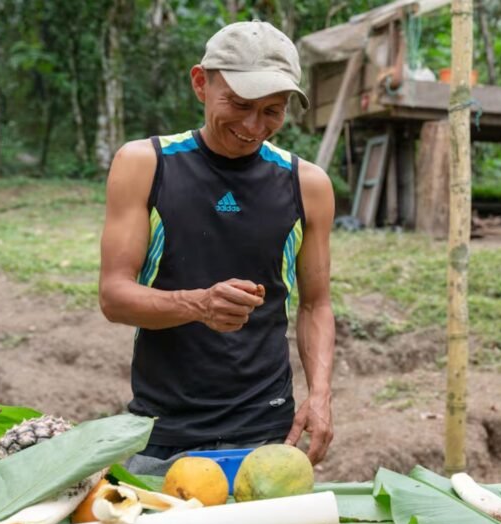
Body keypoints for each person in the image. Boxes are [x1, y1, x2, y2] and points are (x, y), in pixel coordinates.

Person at [99, 21, 336, 475]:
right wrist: (199, 304)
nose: (253, 126)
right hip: (162, 430)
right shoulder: (146, 165)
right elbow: (114, 296)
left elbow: (316, 304)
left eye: (272, 111)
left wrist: (320, 394)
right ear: (200, 83)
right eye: (239, 104)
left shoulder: (307, 184)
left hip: (267, 431)